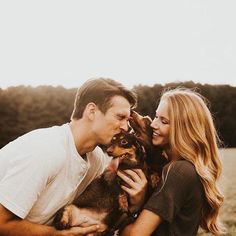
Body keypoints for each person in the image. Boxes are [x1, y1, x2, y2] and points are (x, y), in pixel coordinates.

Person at [0, 78, 147, 236]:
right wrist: (55, 235)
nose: (126, 127)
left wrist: (135, 205)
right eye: (120, 117)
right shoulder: (45, 150)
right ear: (92, 111)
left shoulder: (96, 159)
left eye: (128, 120)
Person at [120, 87, 225, 236]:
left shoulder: (179, 171)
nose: (154, 125)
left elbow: (135, 234)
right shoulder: (179, 168)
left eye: (164, 121)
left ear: (184, 129)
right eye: (156, 117)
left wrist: (130, 212)